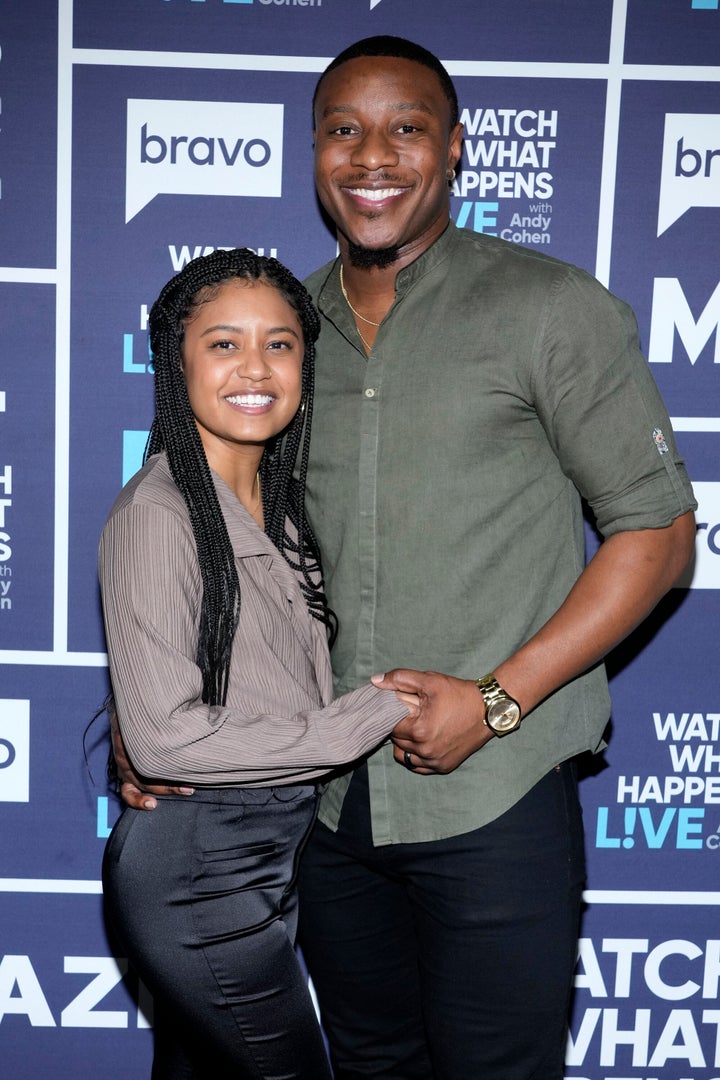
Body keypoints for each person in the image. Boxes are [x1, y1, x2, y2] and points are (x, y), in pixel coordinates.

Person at [118, 36, 697, 1080]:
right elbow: (203, 538)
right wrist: (158, 712)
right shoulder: (279, 334)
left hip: (500, 792)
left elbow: (657, 535)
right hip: (325, 803)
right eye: (344, 130)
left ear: (455, 147)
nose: (372, 156)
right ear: (314, 153)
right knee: (371, 1062)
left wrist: (496, 700)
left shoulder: (551, 310)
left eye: (405, 128)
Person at [99, 247, 418, 1079]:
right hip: (199, 875)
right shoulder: (158, 512)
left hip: (263, 861)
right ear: (177, 362)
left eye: (279, 344)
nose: (255, 367)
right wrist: (380, 708)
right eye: (223, 344)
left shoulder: (275, 507)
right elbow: (166, 740)